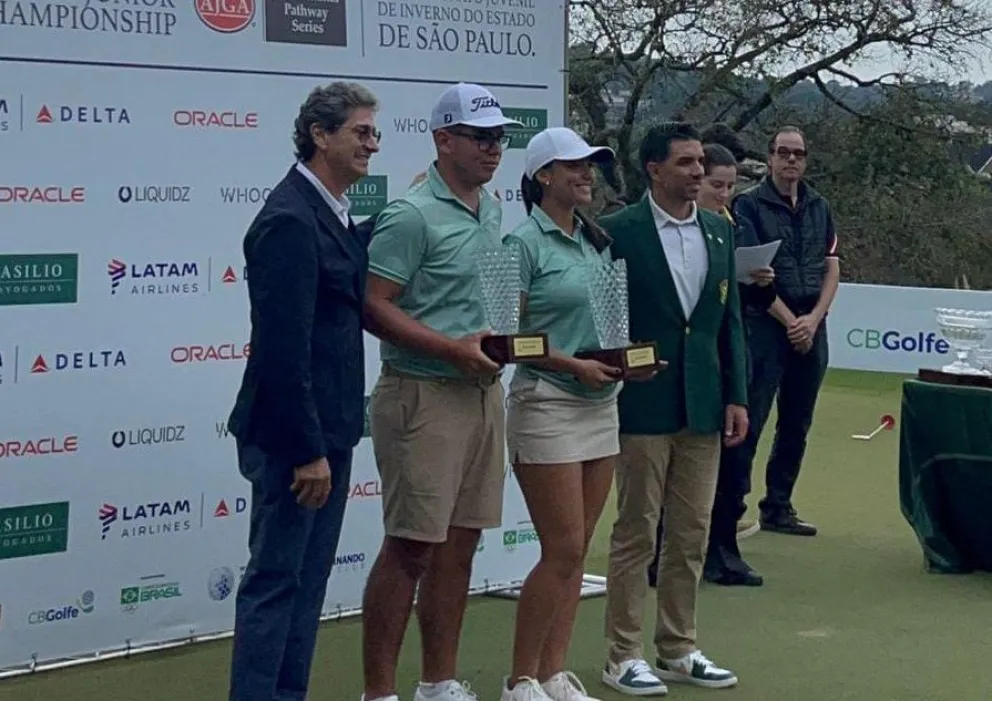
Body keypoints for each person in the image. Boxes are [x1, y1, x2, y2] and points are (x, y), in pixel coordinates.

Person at [359, 82, 522, 701]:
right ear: (443, 139)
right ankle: (379, 692)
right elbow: (373, 305)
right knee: (411, 546)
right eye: (481, 137)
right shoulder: (410, 214)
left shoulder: (493, 207)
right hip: (422, 392)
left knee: (461, 544)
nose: (493, 149)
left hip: (483, 393)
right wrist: (449, 348)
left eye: (499, 138)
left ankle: (438, 682)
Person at [225, 82, 381, 701]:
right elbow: (282, 350)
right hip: (297, 438)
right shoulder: (290, 219)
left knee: (308, 582)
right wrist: (307, 451)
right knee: (276, 581)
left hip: (332, 431)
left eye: (375, 132)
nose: (373, 143)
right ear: (320, 134)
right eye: (360, 132)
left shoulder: (332, 213)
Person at [599, 122, 748, 696]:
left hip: (705, 403)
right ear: (654, 169)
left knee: (691, 532)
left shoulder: (719, 231)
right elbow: (605, 319)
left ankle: (679, 647)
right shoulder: (617, 232)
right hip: (642, 401)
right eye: (685, 163)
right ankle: (622, 654)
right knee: (636, 529)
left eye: (699, 163)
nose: (697, 172)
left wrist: (735, 395)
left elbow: (726, 319)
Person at [500, 127, 622, 701]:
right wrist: (571, 365)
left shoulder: (598, 241)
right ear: (543, 176)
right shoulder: (518, 243)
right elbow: (503, 338)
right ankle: (520, 678)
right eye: (574, 166)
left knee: (578, 550)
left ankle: (553, 673)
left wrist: (631, 363)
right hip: (546, 402)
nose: (587, 175)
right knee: (565, 548)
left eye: (590, 167)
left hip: (602, 405)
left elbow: (612, 328)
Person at [731, 126, 840, 537]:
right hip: (766, 324)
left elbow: (832, 266)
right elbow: (751, 272)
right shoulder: (749, 205)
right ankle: (734, 508)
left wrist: (812, 319)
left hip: (812, 324)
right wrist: (789, 320)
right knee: (752, 420)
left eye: (798, 153)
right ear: (771, 157)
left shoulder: (819, 206)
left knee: (797, 421)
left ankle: (779, 505)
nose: (791, 160)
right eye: (783, 153)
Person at [696, 143, 775, 587]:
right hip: (702, 358)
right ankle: (674, 549)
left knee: (737, 454)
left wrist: (762, 284)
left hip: (740, 351)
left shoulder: (732, 225)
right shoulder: (689, 231)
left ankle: (724, 547)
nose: (724, 194)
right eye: (716, 185)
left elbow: (743, 302)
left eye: (730, 186)